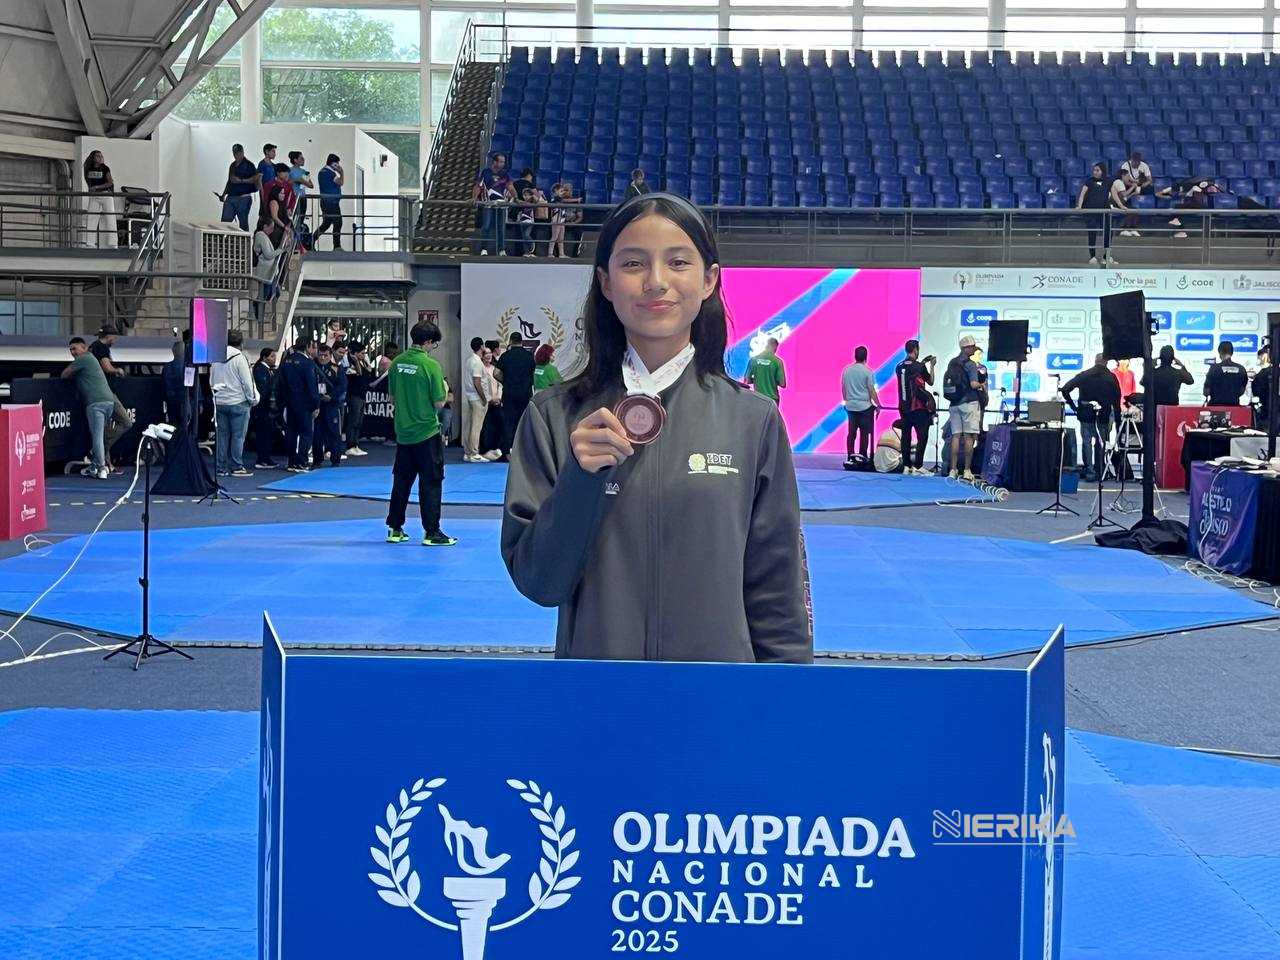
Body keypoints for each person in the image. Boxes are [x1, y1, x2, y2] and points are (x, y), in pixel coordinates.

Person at [501, 192, 812, 663]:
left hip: (717, 700)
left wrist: (780, 704)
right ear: (605, 283)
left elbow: (777, 587)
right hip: (599, 698)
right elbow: (540, 583)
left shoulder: (753, 421)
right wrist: (579, 482)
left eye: (678, 262)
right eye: (633, 264)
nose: (656, 282)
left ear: (709, 280)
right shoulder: (554, 416)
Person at [386, 322, 455, 546]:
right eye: (434, 344)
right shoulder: (431, 366)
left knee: (401, 481)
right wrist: (444, 392)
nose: (433, 347)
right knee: (431, 482)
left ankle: (395, 529)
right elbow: (438, 402)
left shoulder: (396, 363)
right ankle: (432, 532)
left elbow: (393, 398)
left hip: (403, 433)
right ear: (427, 342)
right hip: (426, 433)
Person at [1060, 353, 1123, 483]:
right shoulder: (1111, 378)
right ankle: (1100, 471)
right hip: (1104, 414)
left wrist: (1074, 407)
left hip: (1085, 413)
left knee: (1086, 442)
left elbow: (1065, 389)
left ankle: (1089, 471)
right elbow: (1117, 400)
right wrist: (1118, 421)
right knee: (1101, 443)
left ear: (1095, 361)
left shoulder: (1084, 375)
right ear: (1106, 362)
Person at [60, 337, 116, 479]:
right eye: (70, 350)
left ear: (83, 348)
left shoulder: (83, 359)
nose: (72, 352)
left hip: (96, 404)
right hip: (109, 402)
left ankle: (101, 467)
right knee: (100, 437)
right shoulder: (90, 359)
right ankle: (98, 465)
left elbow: (64, 374)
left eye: (75, 348)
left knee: (97, 437)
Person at [210, 330, 260, 477]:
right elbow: (247, 382)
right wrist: (252, 400)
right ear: (241, 343)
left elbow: (211, 380)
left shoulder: (215, 358)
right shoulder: (240, 358)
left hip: (220, 402)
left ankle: (220, 467)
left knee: (222, 436)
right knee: (238, 436)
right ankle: (237, 466)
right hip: (239, 402)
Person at [943, 334, 984, 480]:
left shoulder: (952, 362)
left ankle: (952, 470)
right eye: (973, 347)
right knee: (968, 437)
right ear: (967, 348)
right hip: (969, 403)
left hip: (954, 404)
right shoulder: (970, 364)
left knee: (955, 437)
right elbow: (973, 384)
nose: (974, 349)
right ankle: (966, 470)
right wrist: (982, 385)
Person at [894, 340, 936, 474]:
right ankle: (918, 466)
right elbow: (930, 381)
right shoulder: (918, 366)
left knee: (906, 436)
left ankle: (907, 466)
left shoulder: (899, 366)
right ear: (915, 350)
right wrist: (932, 366)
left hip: (903, 406)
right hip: (917, 407)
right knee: (922, 436)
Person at [493, 331, 536, 458]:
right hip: (525, 393)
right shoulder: (529, 356)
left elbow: (496, 373)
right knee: (523, 422)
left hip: (509, 393)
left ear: (510, 341)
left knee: (508, 422)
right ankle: (524, 452)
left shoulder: (506, 356)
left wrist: (505, 381)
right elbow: (533, 374)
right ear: (521, 341)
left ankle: (506, 451)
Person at [280, 337, 320, 472]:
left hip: (290, 402)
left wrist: (285, 400)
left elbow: (282, 383)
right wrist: (316, 405)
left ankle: (291, 462)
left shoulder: (287, 361)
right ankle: (302, 462)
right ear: (308, 346)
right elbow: (312, 386)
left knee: (291, 432)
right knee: (306, 433)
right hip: (305, 403)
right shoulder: (307, 363)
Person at [311, 343, 345, 467]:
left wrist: (331, 396)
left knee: (334, 434)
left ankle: (336, 460)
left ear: (330, 355)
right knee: (317, 435)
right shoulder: (312, 367)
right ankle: (317, 460)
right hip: (317, 405)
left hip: (332, 405)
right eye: (320, 355)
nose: (323, 358)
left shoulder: (337, 368)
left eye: (326, 355)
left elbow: (342, 386)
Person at [474, 153, 514, 255]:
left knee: (501, 227)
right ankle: (484, 249)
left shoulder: (505, 174)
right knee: (486, 226)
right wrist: (474, 198)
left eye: (504, 162)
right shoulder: (485, 172)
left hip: (501, 204)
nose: (502, 164)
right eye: (500, 162)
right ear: (494, 162)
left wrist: (516, 197)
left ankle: (502, 250)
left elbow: (511, 187)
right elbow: (478, 186)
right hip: (488, 203)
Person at [1077, 162, 1115, 267]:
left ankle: (1106, 257)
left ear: (1103, 171)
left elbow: (1114, 194)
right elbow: (1082, 194)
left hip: (1105, 211)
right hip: (1091, 211)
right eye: (1094, 170)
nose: (1095, 172)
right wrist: (1079, 206)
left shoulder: (1108, 181)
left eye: (1097, 170)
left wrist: (1121, 206)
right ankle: (1092, 257)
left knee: (1108, 232)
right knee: (1092, 232)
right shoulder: (1089, 181)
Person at [843, 345, 877, 461]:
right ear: (866, 357)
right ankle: (863, 457)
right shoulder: (867, 371)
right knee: (864, 434)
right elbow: (871, 390)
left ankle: (850, 456)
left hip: (850, 406)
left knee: (851, 433)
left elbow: (844, 388)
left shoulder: (847, 370)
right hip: (865, 407)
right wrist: (878, 404)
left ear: (855, 356)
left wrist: (847, 401)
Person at [219, 143, 260, 231]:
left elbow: (256, 178)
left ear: (242, 152)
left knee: (243, 224)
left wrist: (241, 180)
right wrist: (223, 194)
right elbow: (229, 181)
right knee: (225, 223)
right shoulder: (232, 165)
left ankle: (245, 243)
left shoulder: (249, 165)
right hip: (231, 197)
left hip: (243, 198)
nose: (235, 155)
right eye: (234, 153)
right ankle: (224, 242)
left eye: (237, 153)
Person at [462, 336, 489, 462]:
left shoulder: (469, 360)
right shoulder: (477, 362)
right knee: (476, 426)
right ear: (482, 347)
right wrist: (483, 397)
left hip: (469, 396)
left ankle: (467, 452)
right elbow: (477, 381)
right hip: (477, 398)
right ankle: (474, 453)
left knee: (469, 425)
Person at [252, 216, 284, 321]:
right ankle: (258, 312)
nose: (272, 230)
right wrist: (281, 250)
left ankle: (259, 311)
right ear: (265, 226)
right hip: (266, 270)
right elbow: (268, 255)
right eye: (271, 227)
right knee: (266, 293)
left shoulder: (263, 236)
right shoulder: (260, 235)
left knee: (274, 292)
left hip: (270, 270)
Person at [344, 340, 372, 456]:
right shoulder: (350, 363)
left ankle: (355, 444)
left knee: (359, 421)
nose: (363, 355)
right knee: (353, 420)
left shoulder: (363, 362)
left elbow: (369, 372)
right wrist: (356, 362)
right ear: (354, 353)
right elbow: (358, 375)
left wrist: (364, 361)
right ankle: (350, 445)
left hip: (362, 394)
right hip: (354, 395)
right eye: (361, 353)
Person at [82, 150, 116, 249]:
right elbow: (89, 182)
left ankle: (113, 243)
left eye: (101, 156)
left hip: (106, 195)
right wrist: (92, 189)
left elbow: (110, 183)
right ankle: (90, 243)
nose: (100, 158)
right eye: (98, 156)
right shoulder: (88, 169)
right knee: (91, 218)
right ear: (93, 158)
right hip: (95, 196)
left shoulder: (105, 168)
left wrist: (97, 187)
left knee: (110, 218)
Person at [252, 347, 278, 469]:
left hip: (267, 407)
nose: (274, 359)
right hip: (262, 407)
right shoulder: (260, 370)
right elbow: (264, 389)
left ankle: (266, 457)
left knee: (268, 433)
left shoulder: (269, 370)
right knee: (263, 433)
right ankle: (262, 458)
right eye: (272, 356)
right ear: (264, 357)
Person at [314, 154, 345, 250]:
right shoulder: (330, 173)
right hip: (332, 202)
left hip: (325, 202)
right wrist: (342, 173)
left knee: (326, 223)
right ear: (332, 164)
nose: (338, 166)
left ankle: (311, 240)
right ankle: (337, 246)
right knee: (338, 223)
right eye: (337, 164)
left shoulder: (322, 172)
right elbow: (341, 182)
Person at [479, 345, 505, 460]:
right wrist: (489, 399)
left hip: (497, 401)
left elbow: (500, 384)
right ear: (482, 356)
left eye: (490, 353)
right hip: (486, 401)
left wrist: (498, 397)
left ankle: (495, 447)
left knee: (498, 424)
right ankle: (484, 450)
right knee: (485, 426)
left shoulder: (495, 368)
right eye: (486, 353)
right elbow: (481, 386)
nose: (489, 355)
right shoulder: (481, 369)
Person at [1204, 341, 1249, 407]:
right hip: (1235, 408)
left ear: (1220, 352)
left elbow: (1206, 392)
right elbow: (1242, 390)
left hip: (1215, 408)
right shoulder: (1241, 369)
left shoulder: (1214, 369)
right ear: (1232, 353)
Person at [745, 337, 786, 406]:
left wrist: (757, 379)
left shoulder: (753, 360)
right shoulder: (777, 361)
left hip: (758, 398)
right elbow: (783, 384)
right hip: (772, 399)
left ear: (766, 346)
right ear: (775, 346)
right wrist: (771, 379)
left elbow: (747, 380)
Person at [264, 163, 296, 239]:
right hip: (272, 216)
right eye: (284, 172)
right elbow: (265, 200)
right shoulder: (269, 185)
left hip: (284, 215)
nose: (287, 174)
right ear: (278, 173)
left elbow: (292, 199)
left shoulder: (288, 186)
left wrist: (290, 208)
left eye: (288, 172)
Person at [1114, 172, 1142, 238]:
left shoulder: (1122, 183)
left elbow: (1124, 198)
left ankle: (1133, 229)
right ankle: (1124, 229)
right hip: (1113, 205)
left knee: (1134, 210)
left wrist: (1133, 194)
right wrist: (1133, 186)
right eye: (1127, 176)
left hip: (1120, 203)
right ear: (1122, 176)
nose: (1129, 178)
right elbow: (1124, 194)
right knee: (1130, 210)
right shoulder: (1119, 182)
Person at [288, 151, 314, 222]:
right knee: (293, 217)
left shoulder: (304, 171)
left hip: (302, 197)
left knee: (301, 217)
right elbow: (286, 183)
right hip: (294, 197)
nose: (303, 160)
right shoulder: (290, 170)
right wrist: (296, 180)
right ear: (295, 160)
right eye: (301, 158)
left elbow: (311, 185)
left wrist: (303, 181)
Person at [1252, 345, 1273, 430]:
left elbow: (1257, 393)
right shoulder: (1262, 374)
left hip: (1265, 412)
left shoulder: (1261, 375)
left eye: (1259, 356)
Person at [549, 182, 569, 258]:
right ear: (555, 191)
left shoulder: (561, 199)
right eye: (561, 191)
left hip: (561, 220)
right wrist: (576, 199)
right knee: (554, 237)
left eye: (562, 191)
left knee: (561, 238)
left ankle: (561, 254)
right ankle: (550, 253)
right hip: (556, 220)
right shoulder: (554, 199)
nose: (562, 193)